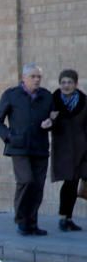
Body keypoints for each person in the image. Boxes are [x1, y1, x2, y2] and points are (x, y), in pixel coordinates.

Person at [0, 64, 55, 236]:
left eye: (39, 77)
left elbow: (55, 117)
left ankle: (32, 223)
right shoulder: (11, 95)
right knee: (26, 181)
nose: (36, 80)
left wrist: (51, 123)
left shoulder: (46, 96)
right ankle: (21, 220)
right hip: (19, 147)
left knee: (38, 187)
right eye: (33, 76)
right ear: (24, 78)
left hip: (40, 148)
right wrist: (9, 137)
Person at [50, 69, 87, 231]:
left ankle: (68, 218)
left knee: (75, 183)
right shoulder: (53, 101)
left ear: (76, 84)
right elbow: (45, 123)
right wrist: (51, 119)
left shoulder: (84, 101)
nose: (66, 85)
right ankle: (64, 218)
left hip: (83, 149)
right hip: (63, 149)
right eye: (63, 82)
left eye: (70, 82)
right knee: (69, 183)